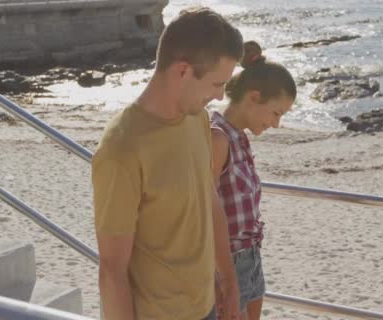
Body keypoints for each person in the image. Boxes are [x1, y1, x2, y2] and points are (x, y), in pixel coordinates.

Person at [91, 7, 244, 320]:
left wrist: (228, 279)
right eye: (217, 84)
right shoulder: (121, 148)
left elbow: (208, 197)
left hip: (207, 308)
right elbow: (112, 270)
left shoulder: (197, 119)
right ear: (183, 71)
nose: (220, 96)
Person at [210, 41, 297, 320]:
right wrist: (221, 278)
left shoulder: (240, 136)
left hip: (250, 259)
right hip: (226, 265)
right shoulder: (217, 137)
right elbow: (203, 214)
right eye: (276, 113)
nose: (276, 124)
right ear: (253, 97)